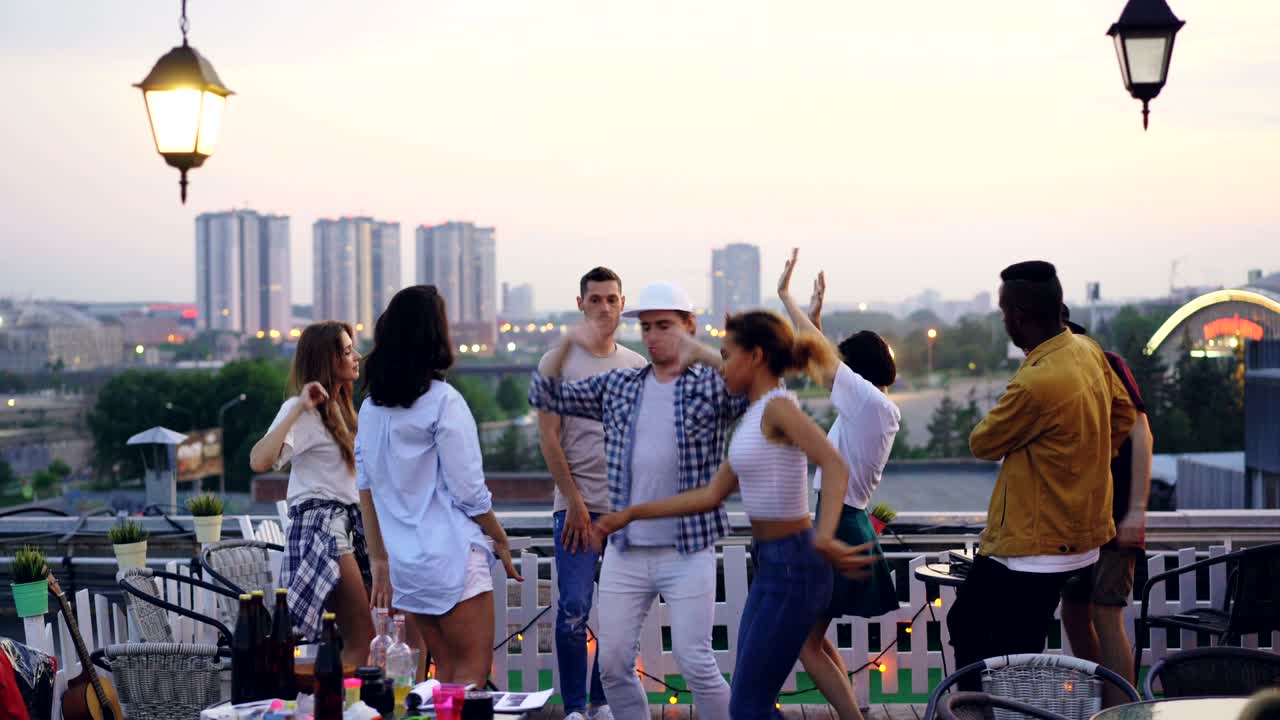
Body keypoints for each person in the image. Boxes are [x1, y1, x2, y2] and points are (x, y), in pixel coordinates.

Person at [594, 309, 874, 720]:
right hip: (772, 563)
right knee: (747, 699)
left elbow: (834, 466)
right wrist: (632, 513)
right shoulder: (754, 416)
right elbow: (710, 495)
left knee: (748, 705)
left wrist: (826, 534)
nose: (720, 366)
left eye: (727, 356)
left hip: (796, 561)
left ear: (756, 357)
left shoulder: (779, 407)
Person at [527, 282, 743, 720]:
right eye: (647, 327)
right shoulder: (624, 383)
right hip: (627, 549)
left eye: (665, 326)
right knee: (612, 665)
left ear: (688, 326)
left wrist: (694, 349)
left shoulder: (706, 388)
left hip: (686, 548)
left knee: (695, 661)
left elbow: (746, 387)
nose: (653, 336)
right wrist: (570, 342)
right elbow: (545, 397)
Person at [947, 261, 1136, 688]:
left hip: (1032, 546)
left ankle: (985, 712)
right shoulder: (1087, 351)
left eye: (1003, 314)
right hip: (1082, 536)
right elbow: (1123, 415)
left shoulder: (1036, 381)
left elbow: (983, 442)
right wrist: (1081, 459)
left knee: (981, 632)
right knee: (1007, 637)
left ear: (1017, 315)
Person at [354, 285, 522, 686]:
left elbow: (366, 490)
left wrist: (380, 560)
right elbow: (469, 492)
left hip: (407, 565)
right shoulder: (444, 401)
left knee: (444, 672)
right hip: (451, 559)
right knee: (471, 673)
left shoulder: (370, 408)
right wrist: (499, 536)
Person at [776, 250, 900, 720]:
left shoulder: (869, 405)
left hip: (842, 523)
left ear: (858, 372)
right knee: (812, 639)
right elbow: (820, 353)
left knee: (804, 644)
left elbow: (818, 355)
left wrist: (785, 298)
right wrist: (815, 317)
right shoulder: (871, 406)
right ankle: (853, 715)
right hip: (845, 521)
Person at [538, 267, 646, 720]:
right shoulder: (556, 363)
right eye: (595, 299)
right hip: (575, 509)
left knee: (620, 617)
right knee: (574, 609)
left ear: (623, 305)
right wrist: (576, 503)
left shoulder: (638, 367)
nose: (604, 307)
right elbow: (549, 440)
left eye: (612, 299)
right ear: (580, 303)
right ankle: (576, 707)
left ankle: (603, 702)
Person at [249, 320, 374, 665]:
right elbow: (259, 460)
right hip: (322, 529)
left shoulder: (343, 409)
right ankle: (342, 708)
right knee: (360, 638)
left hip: (344, 525)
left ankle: (337, 704)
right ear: (327, 360)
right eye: (348, 351)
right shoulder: (302, 410)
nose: (357, 357)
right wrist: (298, 407)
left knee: (358, 636)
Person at [1058, 306, 1153, 707]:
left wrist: (1136, 511)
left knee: (1105, 613)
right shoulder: (1054, 371)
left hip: (1115, 516)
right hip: (1076, 521)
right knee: (1074, 615)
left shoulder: (1104, 362)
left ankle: (1124, 712)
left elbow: (1142, 433)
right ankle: (1104, 703)